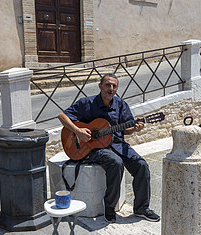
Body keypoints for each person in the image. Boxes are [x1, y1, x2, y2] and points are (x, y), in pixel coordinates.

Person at [58, 73, 160, 223]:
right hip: (95, 148)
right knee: (115, 163)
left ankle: (141, 208)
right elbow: (62, 116)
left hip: (118, 144)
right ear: (100, 86)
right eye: (107, 85)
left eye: (114, 86)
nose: (110, 89)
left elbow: (126, 129)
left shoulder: (120, 104)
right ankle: (110, 206)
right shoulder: (87, 103)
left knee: (142, 165)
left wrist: (135, 128)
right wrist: (78, 130)